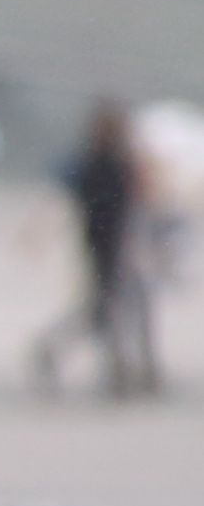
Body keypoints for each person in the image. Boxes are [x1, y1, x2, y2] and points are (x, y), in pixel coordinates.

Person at [46, 102, 164, 398]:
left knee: (119, 308)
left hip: (106, 244)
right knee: (111, 310)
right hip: (109, 246)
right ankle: (121, 370)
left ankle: (128, 370)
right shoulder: (105, 162)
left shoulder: (103, 160)